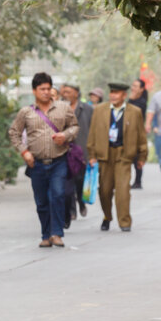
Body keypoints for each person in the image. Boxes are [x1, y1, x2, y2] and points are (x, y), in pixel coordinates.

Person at [8, 73, 78, 248]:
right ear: (34, 91)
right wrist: (24, 152)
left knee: (58, 195)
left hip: (59, 161)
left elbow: (74, 126)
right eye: (42, 89)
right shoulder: (26, 112)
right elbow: (14, 133)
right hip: (37, 163)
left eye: (48, 88)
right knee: (41, 201)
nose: (46, 92)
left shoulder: (63, 108)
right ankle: (46, 235)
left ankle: (57, 233)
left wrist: (65, 135)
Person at [86, 82, 147, 232]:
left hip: (124, 155)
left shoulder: (135, 111)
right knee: (105, 191)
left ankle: (125, 222)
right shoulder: (99, 110)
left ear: (124, 95)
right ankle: (107, 216)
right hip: (105, 154)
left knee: (123, 190)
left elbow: (141, 135)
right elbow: (92, 133)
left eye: (117, 93)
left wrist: (142, 156)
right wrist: (92, 155)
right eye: (111, 92)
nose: (113, 95)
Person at [60, 84, 93, 224]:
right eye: (63, 92)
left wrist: (92, 153)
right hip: (65, 152)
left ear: (76, 93)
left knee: (80, 181)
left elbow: (93, 130)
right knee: (68, 185)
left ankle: (81, 201)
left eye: (68, 92)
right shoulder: (58, 108)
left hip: (82, 153)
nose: (65, 94)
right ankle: (71, 211)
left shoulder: (88, 109)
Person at [127, 79, 148, 189]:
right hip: (128, 132)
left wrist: (130, 99)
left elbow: (131, 112)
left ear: (141, 89)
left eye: (136, 86)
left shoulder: (142, 102)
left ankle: (138, 181)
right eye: (133, 85)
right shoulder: (132, 100)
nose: (133, 88)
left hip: (136, 133)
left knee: (137, 158)